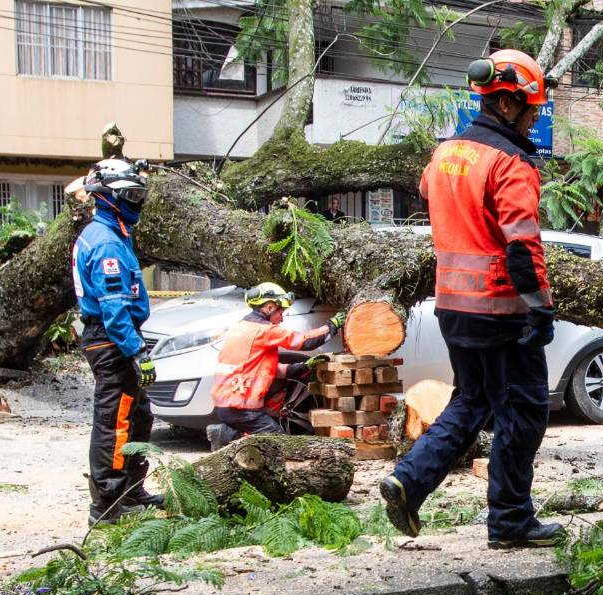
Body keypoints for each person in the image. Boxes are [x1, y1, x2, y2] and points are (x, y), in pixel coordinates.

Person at [378, 49, 561, 550]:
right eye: (531, 110)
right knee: (523, 412)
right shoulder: (511, 162)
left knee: (472, 400)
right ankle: (510, 522)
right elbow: (523, 245)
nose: (533, 119)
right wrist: (540, 307)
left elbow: (432, 199)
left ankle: (408, 481)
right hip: (503, 310)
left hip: (453, 307)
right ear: (508, 104)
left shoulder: (444, 155)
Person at [73, 158, 162, 526]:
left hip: (121, 338)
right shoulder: (105, 242)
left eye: (140, 194)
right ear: (108, 197)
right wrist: (136, 350)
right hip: (112, 340)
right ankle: (107, 504)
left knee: (139, 414)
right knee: (116, 420)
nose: (137, 201)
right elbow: (113, 309)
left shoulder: (118, 233)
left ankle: (131, 488)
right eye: (130, 194)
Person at [207, 282, 344, 448]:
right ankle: (226, 435)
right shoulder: (265, 330)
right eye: (281, 311)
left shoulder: (241, 327)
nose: (282, 317)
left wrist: (302, 367)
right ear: (269, 307)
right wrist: (333, 325)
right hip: (242, 407)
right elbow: (307, 342)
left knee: (260, 437)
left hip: (227, 403)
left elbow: (262, 369)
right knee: (277, 443)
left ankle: (226, 434)